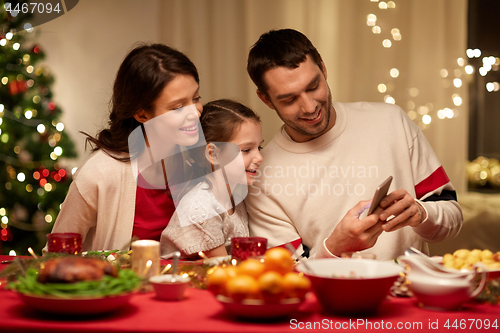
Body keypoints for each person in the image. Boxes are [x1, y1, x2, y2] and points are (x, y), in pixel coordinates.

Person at [245, 29, 463, 261]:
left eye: (313, 87)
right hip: (329, 297)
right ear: (266, 99)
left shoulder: (391, 120)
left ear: (323, 69)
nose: (309, 107)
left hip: (407, 294)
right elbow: (285, 278)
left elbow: (453, 217)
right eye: (289, 99)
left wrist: (421, 214)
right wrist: (333, 248)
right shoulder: (260, 176)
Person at [47, 43, 203, 252]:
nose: (195, 113)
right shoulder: (99, 174)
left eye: (196, 98)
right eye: (177, 107)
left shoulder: (200, 159)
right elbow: (57, 256)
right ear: (142, 114)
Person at [161, 99, 264, 259]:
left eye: (259, 147)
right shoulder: (200, 208)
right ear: (213, 154)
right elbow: (222, 269)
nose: (259, 157)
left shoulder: (235, 196)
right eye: (246, 150)